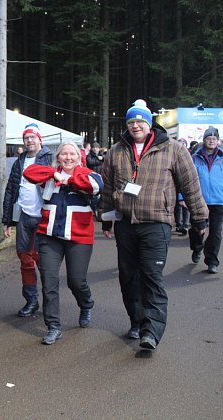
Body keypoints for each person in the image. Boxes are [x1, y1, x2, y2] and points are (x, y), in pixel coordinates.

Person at [100, 99, 208, 351]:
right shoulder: (117, 150)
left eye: (140, 121)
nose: (135, 125)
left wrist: (199, 216)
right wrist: (105, 217)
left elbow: (190, 184)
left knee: (151, 275)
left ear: (149, 124)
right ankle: (136, 321)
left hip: (157, 223)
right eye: (131, 122)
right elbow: (108, 186)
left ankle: (151, 330)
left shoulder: (173, 149)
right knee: (128, 277)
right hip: (126, 223)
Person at [23, 143, 102, 345]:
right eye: (63, 154)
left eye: (72, 153)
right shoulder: (50, 175)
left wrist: (69, 179)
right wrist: (54, 174)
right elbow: (29, 173)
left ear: (79, 156)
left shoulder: (88, 174)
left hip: (79, 236)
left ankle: (86, 303)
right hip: (49, 236)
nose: (68, 157)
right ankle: (54, 326)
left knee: (76, 281)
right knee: (49, 282)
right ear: (58, 157)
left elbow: (95, 186)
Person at [2, 123, 54, 317]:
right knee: (24, 259)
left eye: (33, 137)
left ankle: (50, 301)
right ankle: (31, 301)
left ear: (40, 139)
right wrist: (7, 220)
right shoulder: (19, 161)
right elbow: (10, 190)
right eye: (26, 138)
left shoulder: (49, 159)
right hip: (24, 216)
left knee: (44, 261)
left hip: (44, 216)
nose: (30, 140)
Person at [188, 126, 223, 274]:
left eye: (214, 139)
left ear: (218, 142)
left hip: (218, 201)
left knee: (215, 232)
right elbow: (187, 179)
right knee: (197, 230)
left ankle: (212, 261)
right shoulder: (195, 158)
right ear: (204, 141)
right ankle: (197, 248)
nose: (212, 141)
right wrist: (182, 197)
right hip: (199, 200)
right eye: (209, 139)